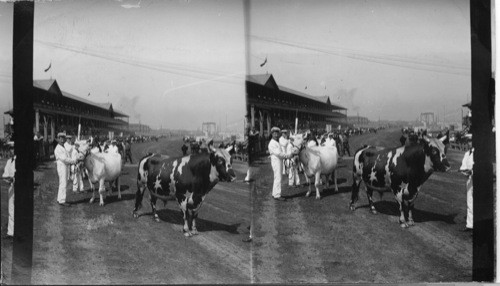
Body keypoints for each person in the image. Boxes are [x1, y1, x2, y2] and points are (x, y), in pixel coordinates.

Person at [268, 127, 292, 201]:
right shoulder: (272, 143)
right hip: (276, 161)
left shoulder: (276, 142)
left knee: (277, 177)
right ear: (272, 134)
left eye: (277, 133)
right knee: (278, 177)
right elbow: (279, 153)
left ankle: (274, 193)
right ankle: (277, 195)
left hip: (279, 160)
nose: (276, 135)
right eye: (274, 133)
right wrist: (288, 156)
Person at [54, 132, 77, 207]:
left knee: (62, 182)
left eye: (63, 138)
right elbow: (64, 159)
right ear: (58, 139)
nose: (62, 140)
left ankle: (59, 198)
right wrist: (73, 161)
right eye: (60, 138)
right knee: (63, 183)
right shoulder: (58, 148)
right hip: (62, 166)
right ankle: (62, 200)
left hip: (64, 166)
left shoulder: (63, 147)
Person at [459, 139, 474, 232]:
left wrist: (471, 171)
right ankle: (470, 225)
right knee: (469, 202)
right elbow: (463, 166)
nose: (469, 143)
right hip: (469, 180)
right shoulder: (467, 153)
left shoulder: (478, 153)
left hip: (478, 179)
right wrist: (464, 171)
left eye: (471, 141)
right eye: (468, 141)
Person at [2, 142, 15, 239]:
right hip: (11, 187)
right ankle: (11, 232)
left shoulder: (20, 160)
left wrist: (14, 178)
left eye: (14, 148)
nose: (12, 150)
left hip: (19, 188)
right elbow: (5, 174)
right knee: (11, 209)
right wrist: (6, 178)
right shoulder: (9, 161)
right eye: (11, 148)